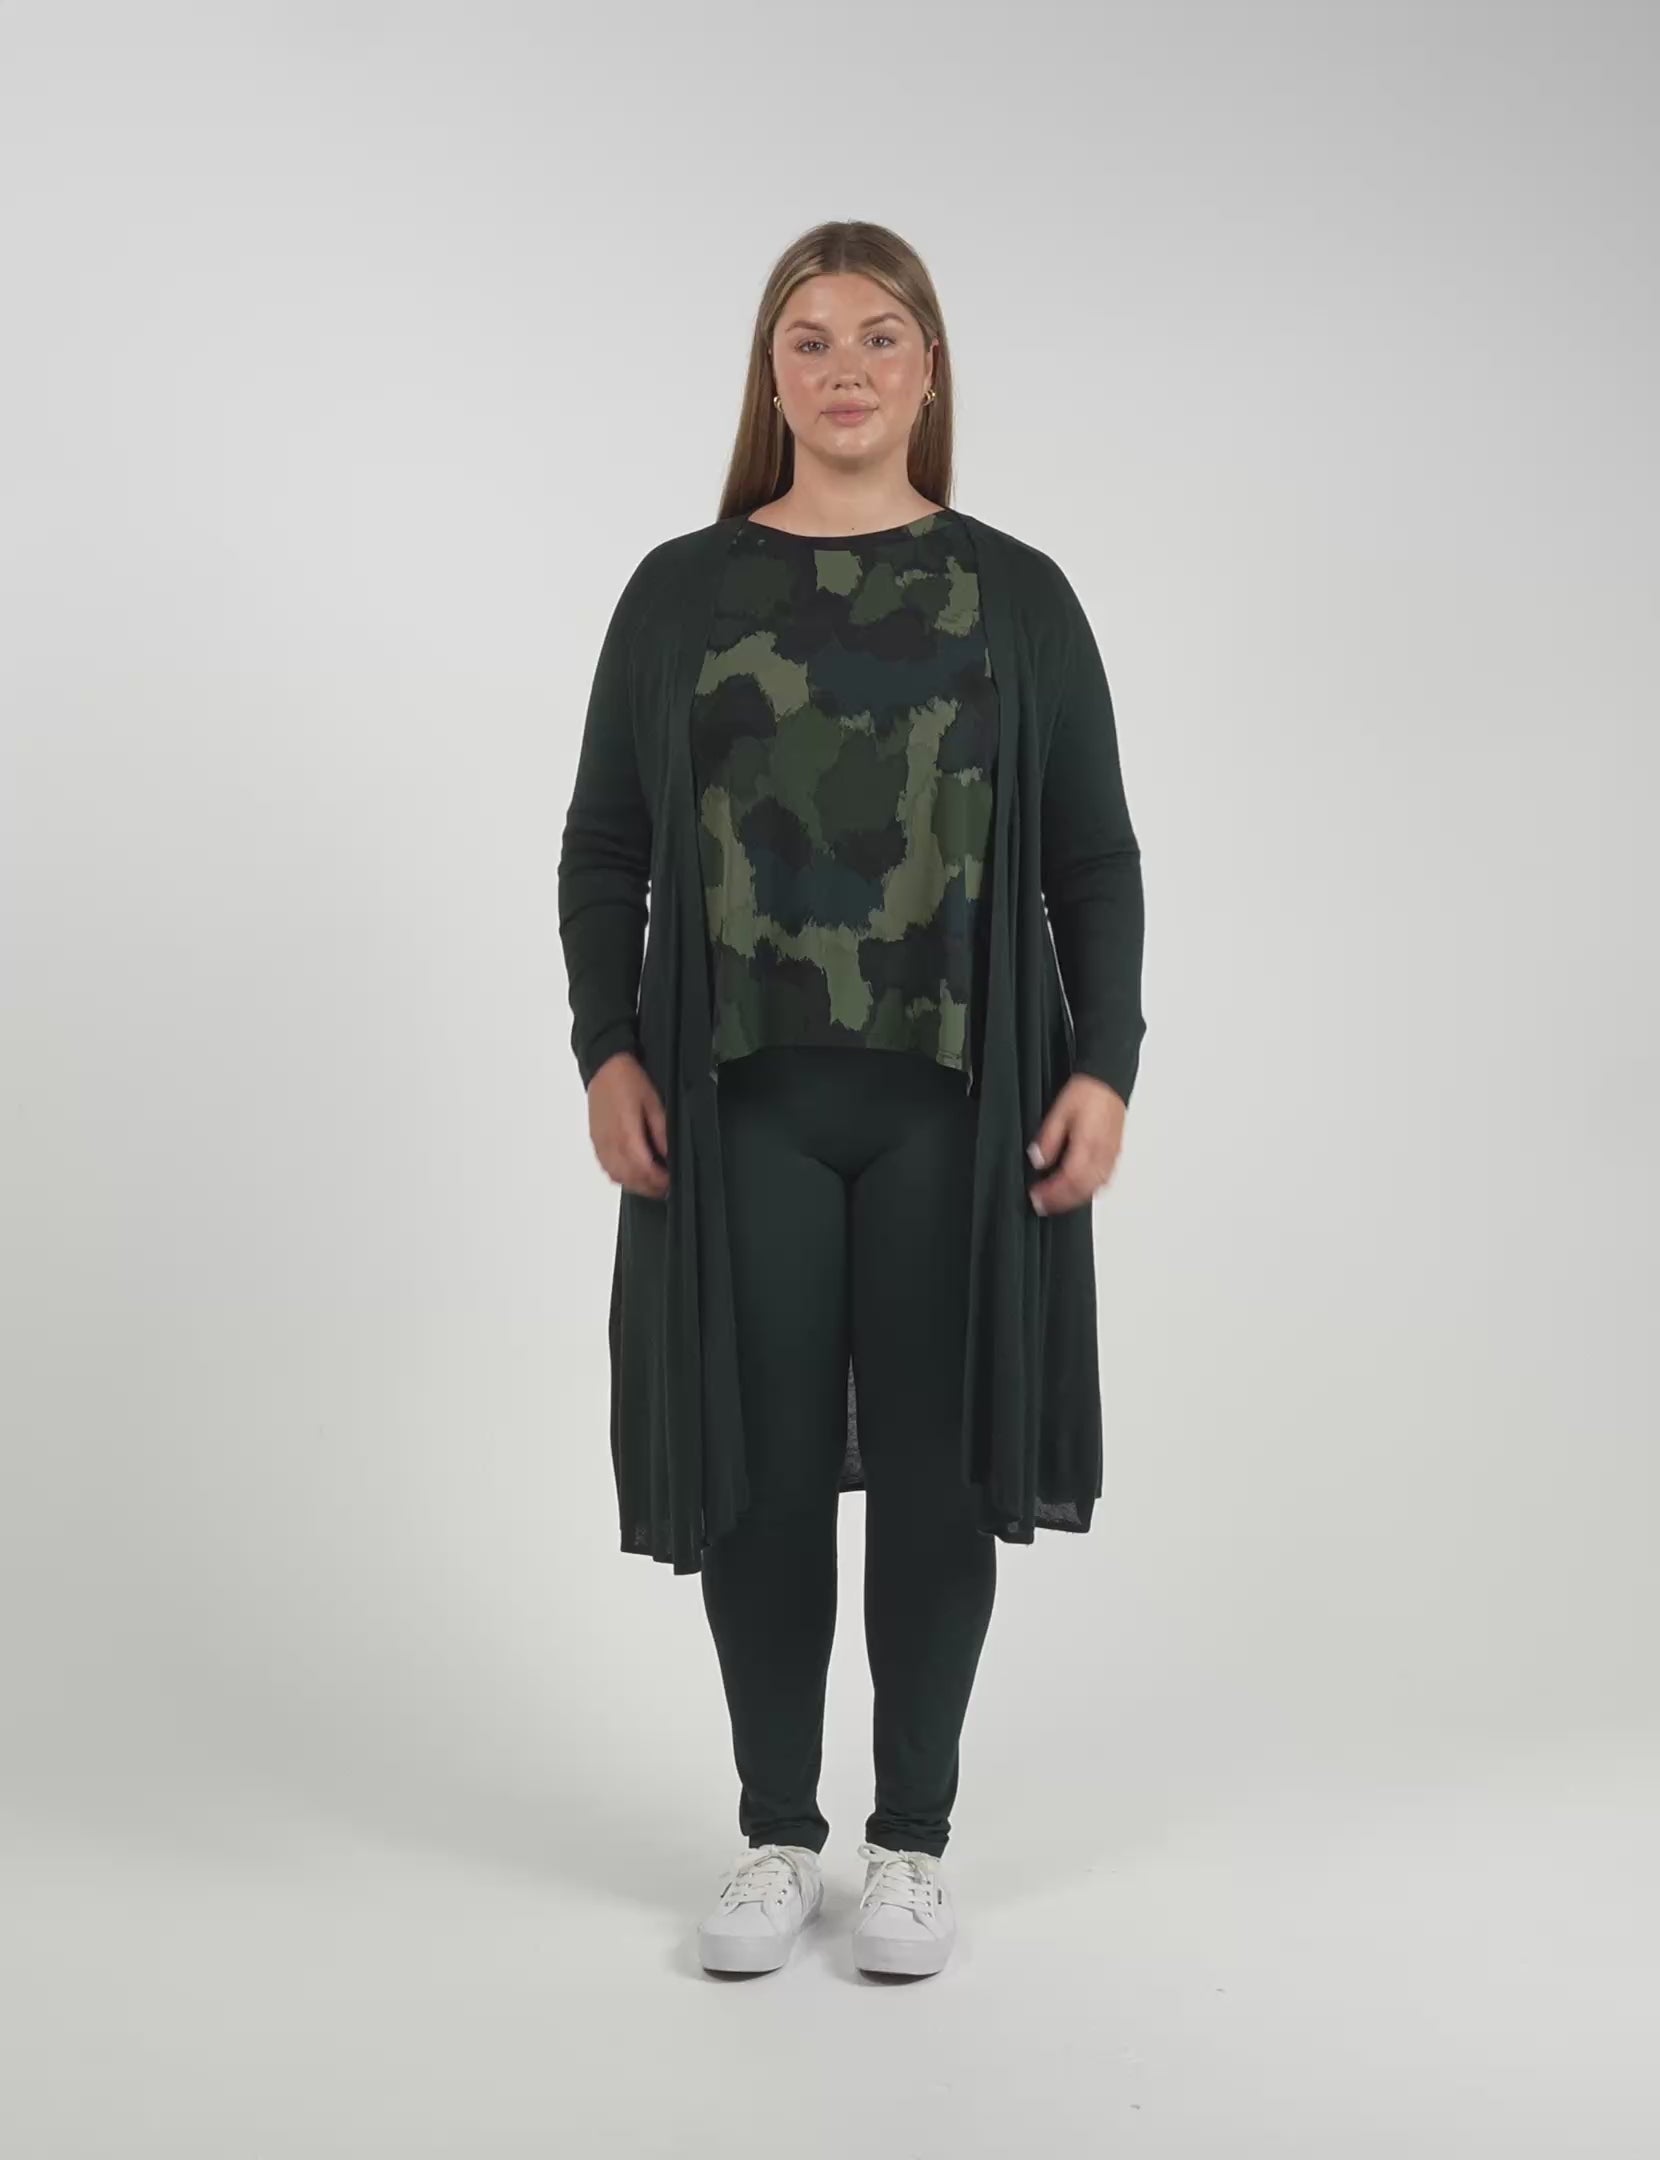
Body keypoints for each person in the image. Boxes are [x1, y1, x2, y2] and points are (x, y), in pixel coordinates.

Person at [557, 219, 1147, 1979]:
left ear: (929, 368)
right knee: (760, 1475)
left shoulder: (1015, 596)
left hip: (958, 1108)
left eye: (880, 337)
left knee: (939, 1469)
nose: (845, 370)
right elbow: (604, 848)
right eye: (809, 340)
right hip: (741, 1105)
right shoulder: (681, 592)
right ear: (771, 374)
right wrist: (605, 1045)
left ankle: (911, 1847)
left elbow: (1093, 859)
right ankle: (772, 1835)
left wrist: (1107, 1062)